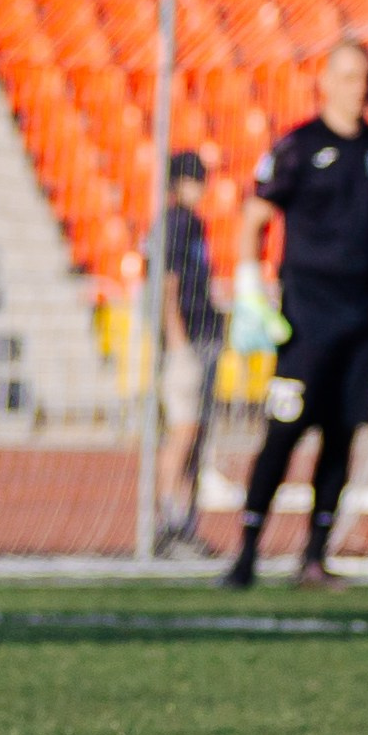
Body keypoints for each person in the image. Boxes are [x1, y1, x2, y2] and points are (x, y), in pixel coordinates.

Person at [220, 41, 368, 590]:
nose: (355, 87)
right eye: (344, 76)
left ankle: (314, 557)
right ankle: (246, 551)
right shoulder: (298, 146)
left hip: (361, 315)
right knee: (284, 431)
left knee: (341, 436)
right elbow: (255, 216)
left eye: (363, 77)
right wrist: (249, 286)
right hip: (306, 316)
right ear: (325, 82)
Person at [152, 150, 223, 555]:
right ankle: (167, 523)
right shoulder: (176, 223)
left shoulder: (194, 224)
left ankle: (186, 524)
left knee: (196, 437)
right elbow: (168, 283)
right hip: (186, 342)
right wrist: (176, 338)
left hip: (202, 338)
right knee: (183, 431)